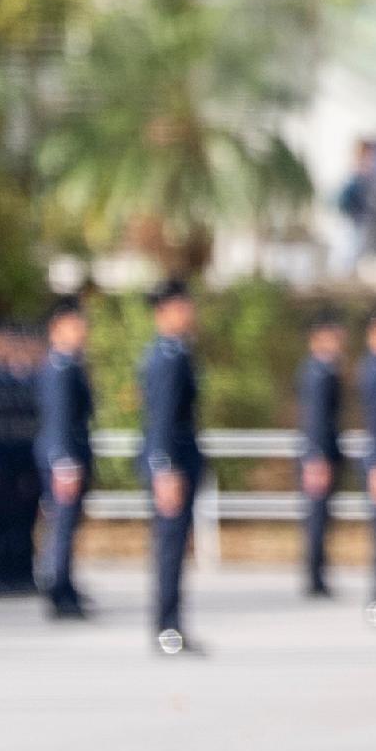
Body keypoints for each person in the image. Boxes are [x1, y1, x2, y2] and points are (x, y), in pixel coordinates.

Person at [138, 280, 205, 659]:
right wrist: (164, 468)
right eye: (181, 307)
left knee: (177, 548)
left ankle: (173, 622)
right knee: (168, 548)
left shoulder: (178, 352)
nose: (188, 313)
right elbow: (162, 419)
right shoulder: (166, 356)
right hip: (172, 466)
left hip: (180, 462)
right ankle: (166, 625)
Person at [35, 297, 93, 622]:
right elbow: (58, 419)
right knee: (61, 525)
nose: (81, 331)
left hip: (72, 454)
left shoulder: (71, 363)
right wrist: (63, 462)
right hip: (64, 458)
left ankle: (66, 584)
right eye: (74, 324)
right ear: (56, 328)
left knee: (69, 526)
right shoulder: (58, 367)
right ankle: (57, 590)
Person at [296, 317, 349, 601]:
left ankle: (319, 573)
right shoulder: (317, 372)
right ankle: (314, 577)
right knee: (316, 519)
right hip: (318, 454)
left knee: (322, 518)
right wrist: (317, 457)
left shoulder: (327, 370)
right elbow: (315, 419)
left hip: (325, 452)